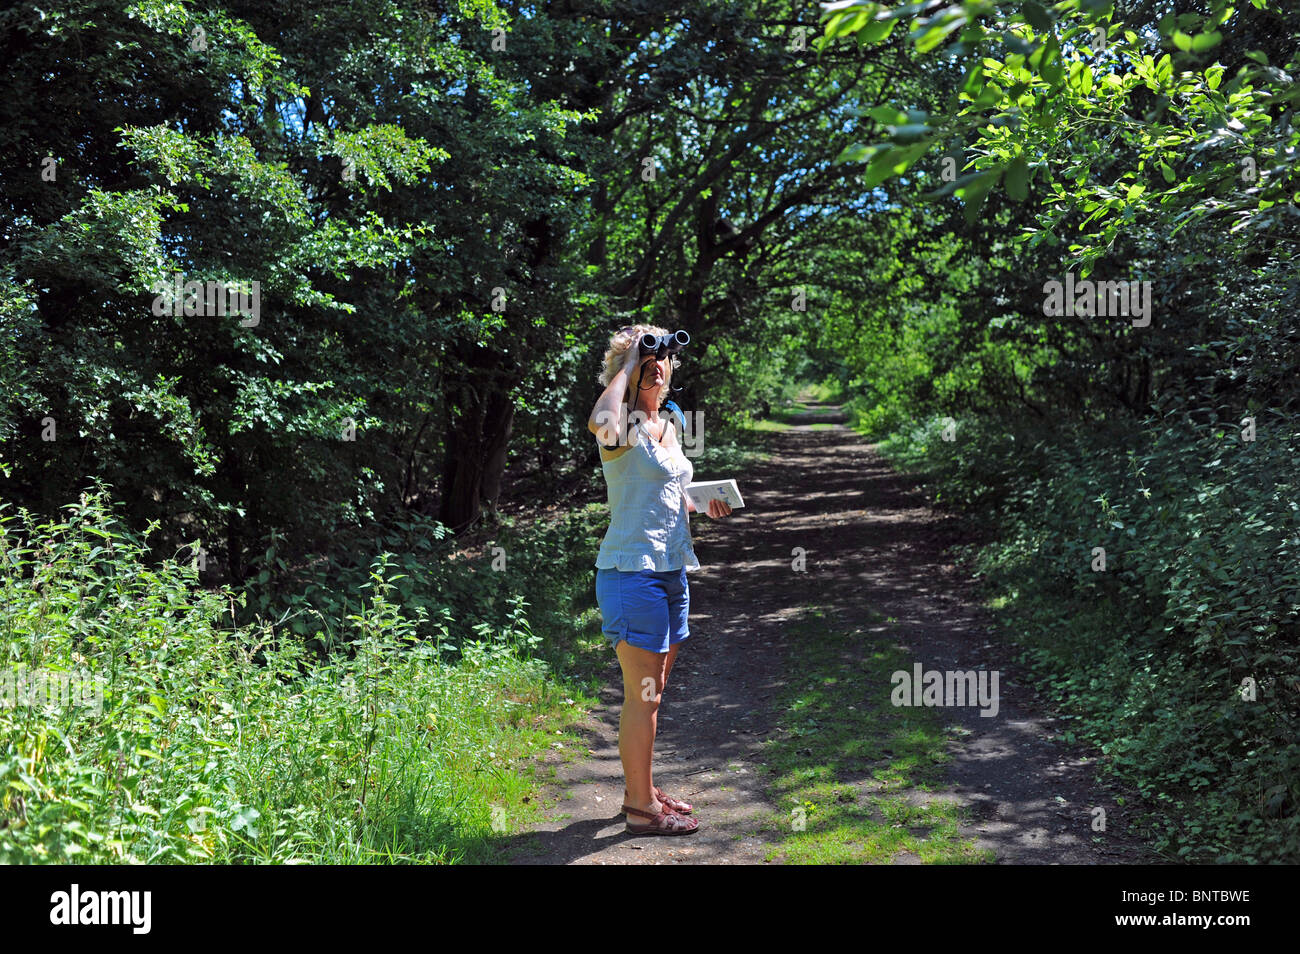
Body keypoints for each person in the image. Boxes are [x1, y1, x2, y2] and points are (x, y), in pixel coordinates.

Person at [587, 323, 733, 836]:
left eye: (664, 357)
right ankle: (640, 809)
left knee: (655, 688)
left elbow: (671, 494)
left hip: (672, 570)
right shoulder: (620, 427)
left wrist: (702, 504)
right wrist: (628, 364)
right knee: (642, 695)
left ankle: (641, 788)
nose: (659, 364)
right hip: (632, 573)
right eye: (648, 359)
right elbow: (599, 419)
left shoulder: (669, 422)